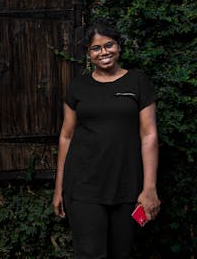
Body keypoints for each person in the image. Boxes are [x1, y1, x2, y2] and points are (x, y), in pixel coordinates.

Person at [52, 19, 161, 259]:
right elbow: (66, 136)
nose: (104, 52)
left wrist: (149, 188)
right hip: (82, 186)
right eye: (96, 48)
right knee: (91, 254)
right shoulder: (78, 87)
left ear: (119, 46)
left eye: (109, 45)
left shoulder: (138, 81)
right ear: (88, 54)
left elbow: (149, 135)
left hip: (127, 185)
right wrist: (59, 187)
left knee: (121, 253)